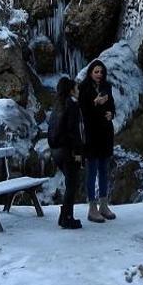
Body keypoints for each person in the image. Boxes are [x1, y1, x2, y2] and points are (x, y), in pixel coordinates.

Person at [79, 59, 116, 223]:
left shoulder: (107, 87)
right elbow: (83, 111)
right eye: (96, 72)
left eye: (101, 72)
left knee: (104, 170)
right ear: (90, 73)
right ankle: (92, 207)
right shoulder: (84, 88)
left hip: (106, 132)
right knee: (92, 170)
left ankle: (104, 204)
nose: (99, 75)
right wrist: (95, 103)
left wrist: (111, 114)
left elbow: (112, 105)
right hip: (91, 133)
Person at [52, 76, 85, 230]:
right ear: (71, 90)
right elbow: (73, 131)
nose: (78, 91)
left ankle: (63, 215)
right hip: (67, 151)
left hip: (56, 151)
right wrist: (78, 152)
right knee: (72, 184)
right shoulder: (72, 105)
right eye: (77, 88)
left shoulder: (57, 105)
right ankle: (67, 218)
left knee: (69, 183)